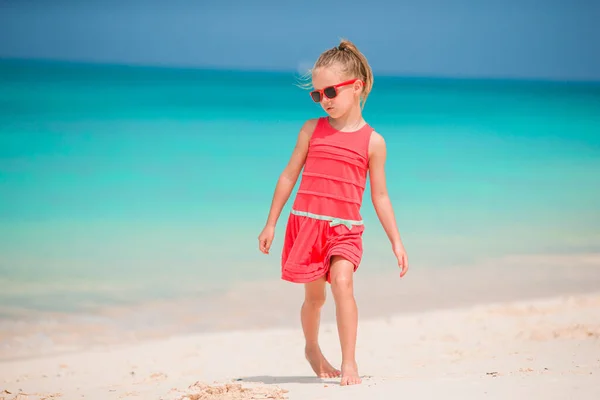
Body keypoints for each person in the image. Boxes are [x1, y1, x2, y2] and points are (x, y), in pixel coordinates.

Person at [257, 38, 409, 386]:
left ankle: (350, 363)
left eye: (330, 92)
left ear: (356, 87)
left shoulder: (373, 142)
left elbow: (381, 197)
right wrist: (270, 224)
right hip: (307, 227)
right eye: (317, 94)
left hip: (345, 230)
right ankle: (312, 347)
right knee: (315, 298)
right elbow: (288, 176)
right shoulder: (311, 130)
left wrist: (396, 242)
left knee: (343, 283)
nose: (324, 100)